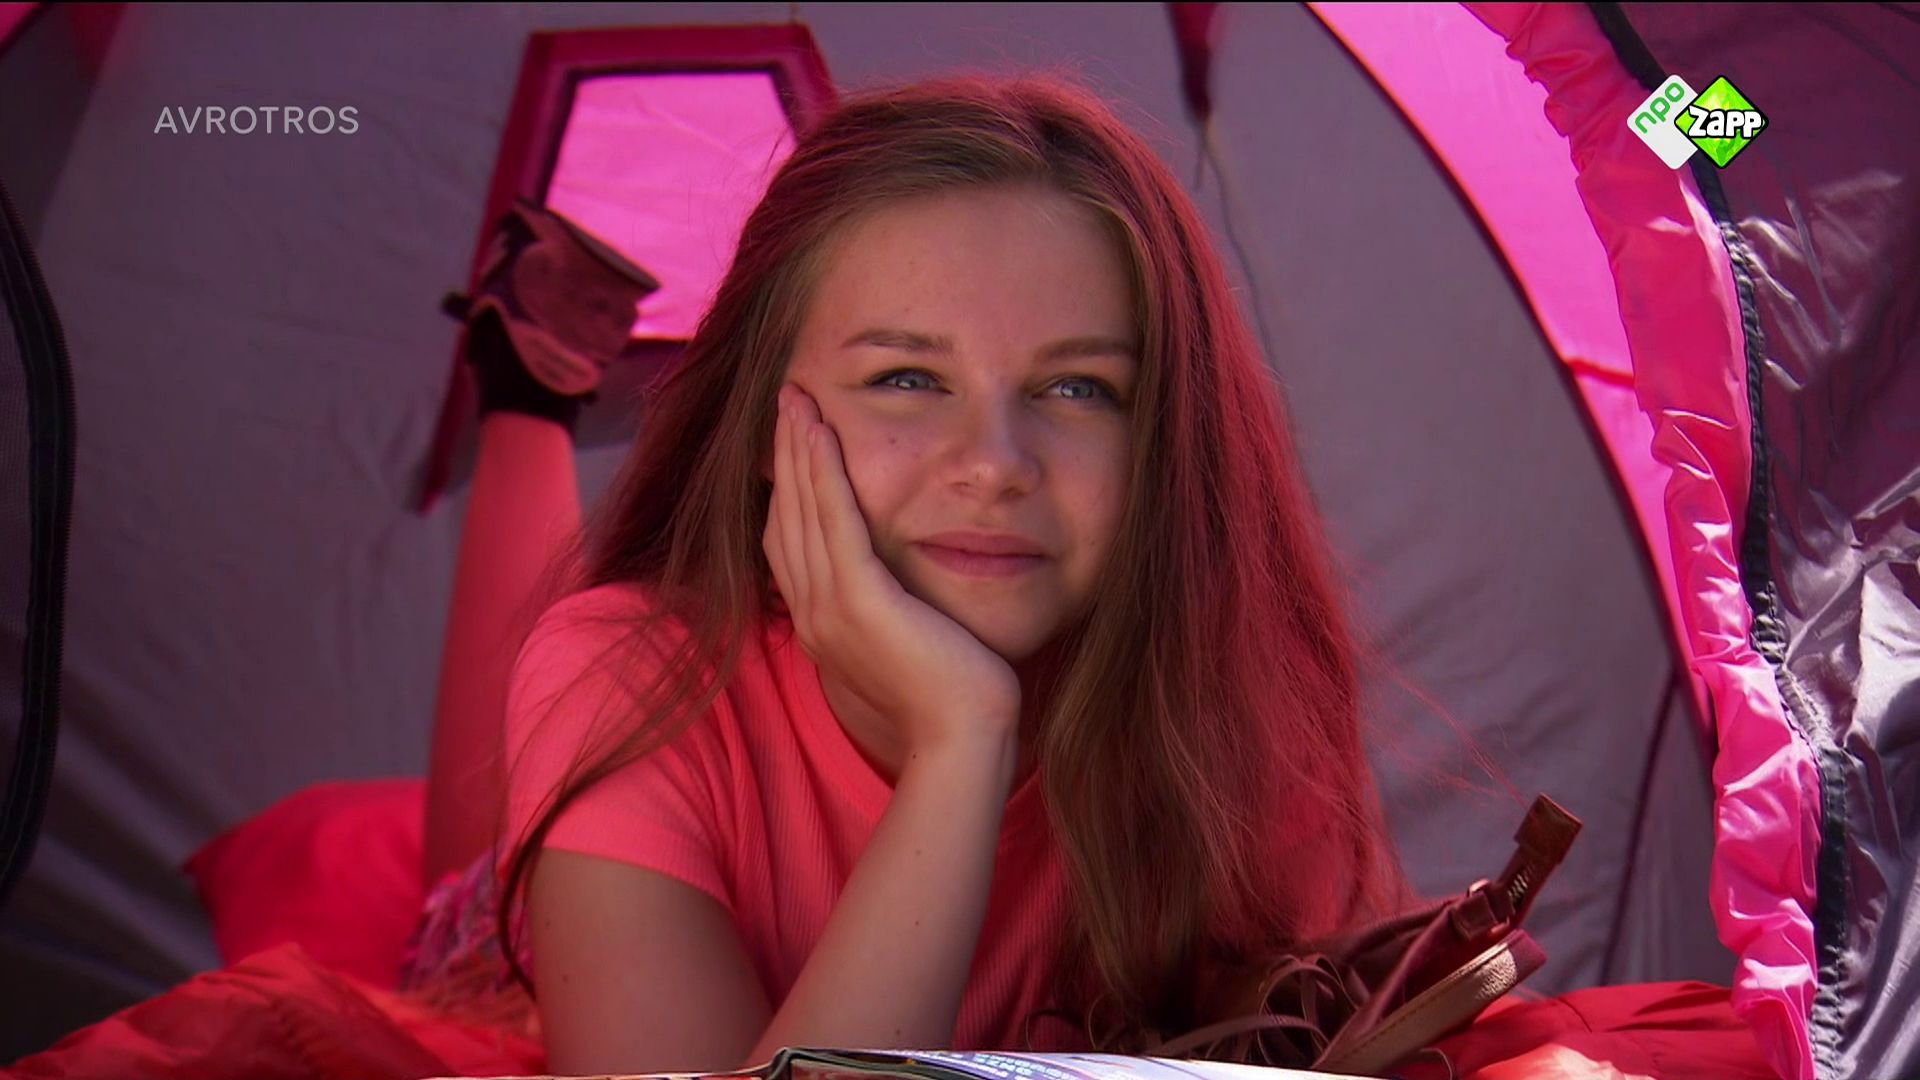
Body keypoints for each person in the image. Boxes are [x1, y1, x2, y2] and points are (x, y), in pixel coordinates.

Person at [408, 73, 1410, 1077]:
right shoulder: (624, 677)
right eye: (907, 378)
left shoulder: (1242, 705)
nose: (994, 465)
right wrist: (959, 739)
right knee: (460, 877)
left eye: (1078, 387)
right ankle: (525, 386)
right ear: (760, 422)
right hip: (522, 922)